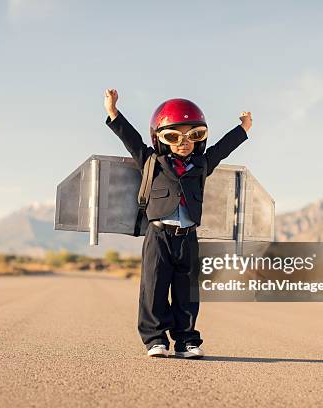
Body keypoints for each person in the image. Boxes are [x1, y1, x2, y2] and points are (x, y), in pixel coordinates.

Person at [104, 89, 252, 358]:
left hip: (188, 237)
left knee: (187, 292)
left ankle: (186, 340)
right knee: (154, 288)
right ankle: (155, 339)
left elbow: (222, 149)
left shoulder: (202, 164)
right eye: (174, 136)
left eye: (193, 135)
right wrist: (113, 113)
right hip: (158, 235)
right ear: (160, 138)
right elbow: (131, 140)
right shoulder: (152, 161)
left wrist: (242, 129)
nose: (184, 142)